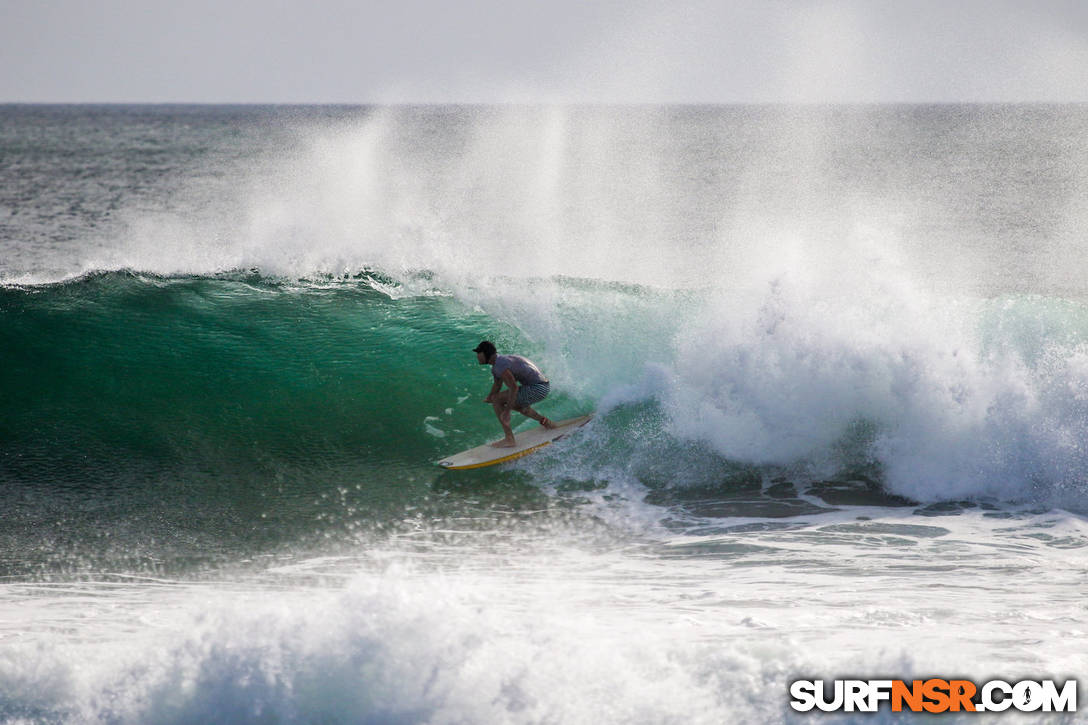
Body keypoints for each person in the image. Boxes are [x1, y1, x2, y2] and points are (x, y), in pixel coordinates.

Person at [473, 340, 556, 447]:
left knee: (497, 399)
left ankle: (509, 439)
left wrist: (507, 412)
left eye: (478, 353)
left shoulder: (500, 365)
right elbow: (497, 384)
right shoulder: (499, 363)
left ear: (485, 353)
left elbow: (514, 388)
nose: (477, 356)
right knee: (519, 407)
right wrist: (489, 397)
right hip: (542, 387)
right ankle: (547, 423)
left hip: (538, 388)